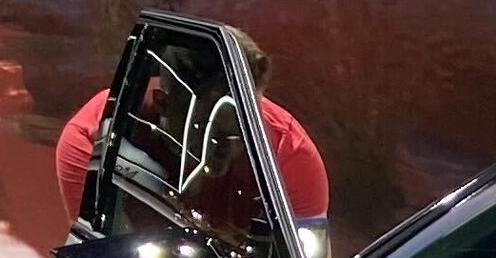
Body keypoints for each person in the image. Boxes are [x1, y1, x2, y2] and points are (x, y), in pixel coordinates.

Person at [55, 27, 334, 235]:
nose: (228, 140)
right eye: (206, 120)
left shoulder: (291, 158)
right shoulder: (94, 139)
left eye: (242, 119)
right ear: (163, 103)